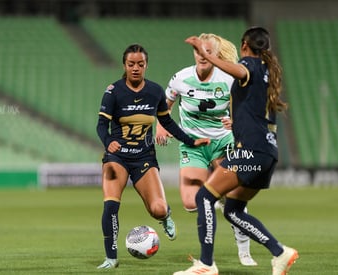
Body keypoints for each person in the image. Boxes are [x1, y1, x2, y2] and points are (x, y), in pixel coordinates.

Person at [174, 27, 299, 275]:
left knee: (204, 197)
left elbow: (241, 70)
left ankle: (206, 265)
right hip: (268, 152)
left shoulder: (249, 65)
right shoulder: (268, 71)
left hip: (250, 150)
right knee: (232, 209)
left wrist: (207, 55)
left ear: (244, 45)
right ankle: (280, 252)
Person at [96, 44, 210, 269]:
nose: (136, 68)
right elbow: (101, 125)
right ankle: (111, 257)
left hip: (144, 158)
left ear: (146, 65)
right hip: (116, 158)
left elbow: (166, 122)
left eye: (140, 64)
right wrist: (109, 142)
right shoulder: (113, 92)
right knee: (110, 205)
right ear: (124, 66)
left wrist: (189, 140)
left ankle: (165, 216)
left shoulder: (156, 91)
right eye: (131, 64)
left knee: (157, 208)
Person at [156, 33, 257, 266]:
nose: (202, 55)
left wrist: (237, 122)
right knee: (191, 203)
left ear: (214, 54)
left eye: (207, 51)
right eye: (198, 50)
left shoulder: (228, 78)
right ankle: (216, 198)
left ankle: (244, 250)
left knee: (234, 196)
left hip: (224, 142)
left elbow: (248, 108)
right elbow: (164, 107)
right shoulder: (181, 78)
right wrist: (161, 126)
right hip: (193, 145)